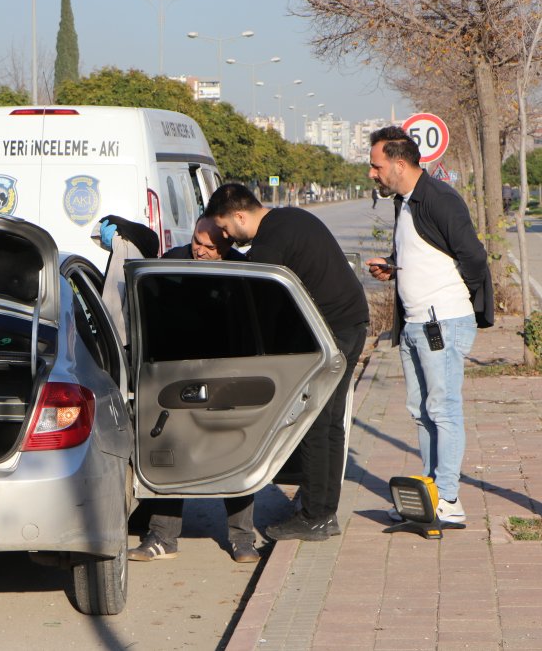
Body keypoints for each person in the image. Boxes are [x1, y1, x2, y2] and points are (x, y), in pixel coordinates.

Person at [206, 183, 369, 542]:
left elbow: (257, 308)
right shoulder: (289, 219)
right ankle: (322, 510)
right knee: (328, 424)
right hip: (349, 324)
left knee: (314, 423)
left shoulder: (268, 244)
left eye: (226, 227)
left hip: (332, 335)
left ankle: (315, 515)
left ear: (239, 215)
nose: (227, 235)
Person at [104, 215, 261, 563]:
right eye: (196, 242)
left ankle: (242, 538)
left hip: (228, 372)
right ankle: (162, 536)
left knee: (234, 452)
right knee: (170, 450)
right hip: (175, 370)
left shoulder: (244, 270)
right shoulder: (172, 261)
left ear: (226, 247)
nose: (200, 251)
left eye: (209, 247)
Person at [365, 126, 492, 524]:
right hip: (415, 324)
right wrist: (392, 266)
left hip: (442, 321)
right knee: (420, 411)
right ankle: (431, 491)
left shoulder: (440, 199)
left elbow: (473, 257)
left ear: (399, 164)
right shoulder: (405, 201)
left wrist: (459, 302)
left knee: (443, 409)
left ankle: (449, 500)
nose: (372, 173)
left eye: (376, 165)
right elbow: (423, 249)